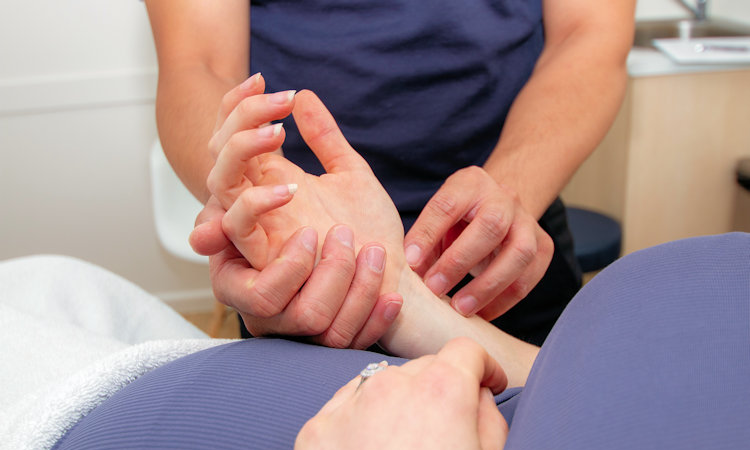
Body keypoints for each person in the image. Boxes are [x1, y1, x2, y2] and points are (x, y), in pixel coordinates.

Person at [4, 97, 748, 450]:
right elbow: (596, 395)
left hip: (50, 431)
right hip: (114, 362)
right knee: (48, 286)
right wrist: (404, 303)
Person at [143, 0, 636, 346]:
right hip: (303, 242)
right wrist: (262, 196)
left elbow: (591, 34)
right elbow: (195, 63)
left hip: (507, 239)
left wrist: (512, 191)